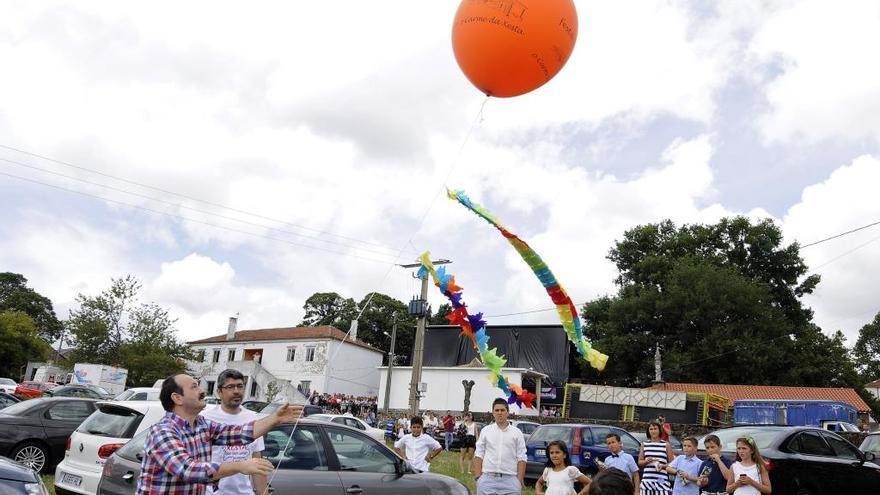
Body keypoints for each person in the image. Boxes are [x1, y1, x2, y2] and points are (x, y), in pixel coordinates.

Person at [136, 374, 303, 495]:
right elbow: (188, 470)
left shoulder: (202, 424)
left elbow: (237, 434)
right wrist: (240, 465)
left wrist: (275, 419)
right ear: (177, 398)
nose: (202, 390)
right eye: (194, 386)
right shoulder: (163, 431)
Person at [202, 369, 266, 495]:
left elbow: (257, 463)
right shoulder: (204, 419)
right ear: (219, 392)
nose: (236, 391)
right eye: (230, 387)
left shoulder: (253, 418)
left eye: (240, 386)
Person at [473, 398, 527, 495]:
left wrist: (518, 481)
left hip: (510, 481)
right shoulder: (486, 431)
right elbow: (479, 454)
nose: (499, 413)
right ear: (493, 412)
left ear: (508, 412)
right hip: (487, 480)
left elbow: (522, 457)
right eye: (497, 410)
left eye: (502, 410)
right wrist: (478, 477)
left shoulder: (517, 433)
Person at [637, 421, 675, 495]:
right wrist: (646, 461)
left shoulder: (666, 444)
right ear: (648, 431)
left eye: (655, 429)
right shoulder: (644, 444)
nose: (653, 431)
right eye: (651, 429)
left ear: (659, 430)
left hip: (661, 481)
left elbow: (673, 464)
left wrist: (662, 466)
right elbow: (639, 462)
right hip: (647, 481)